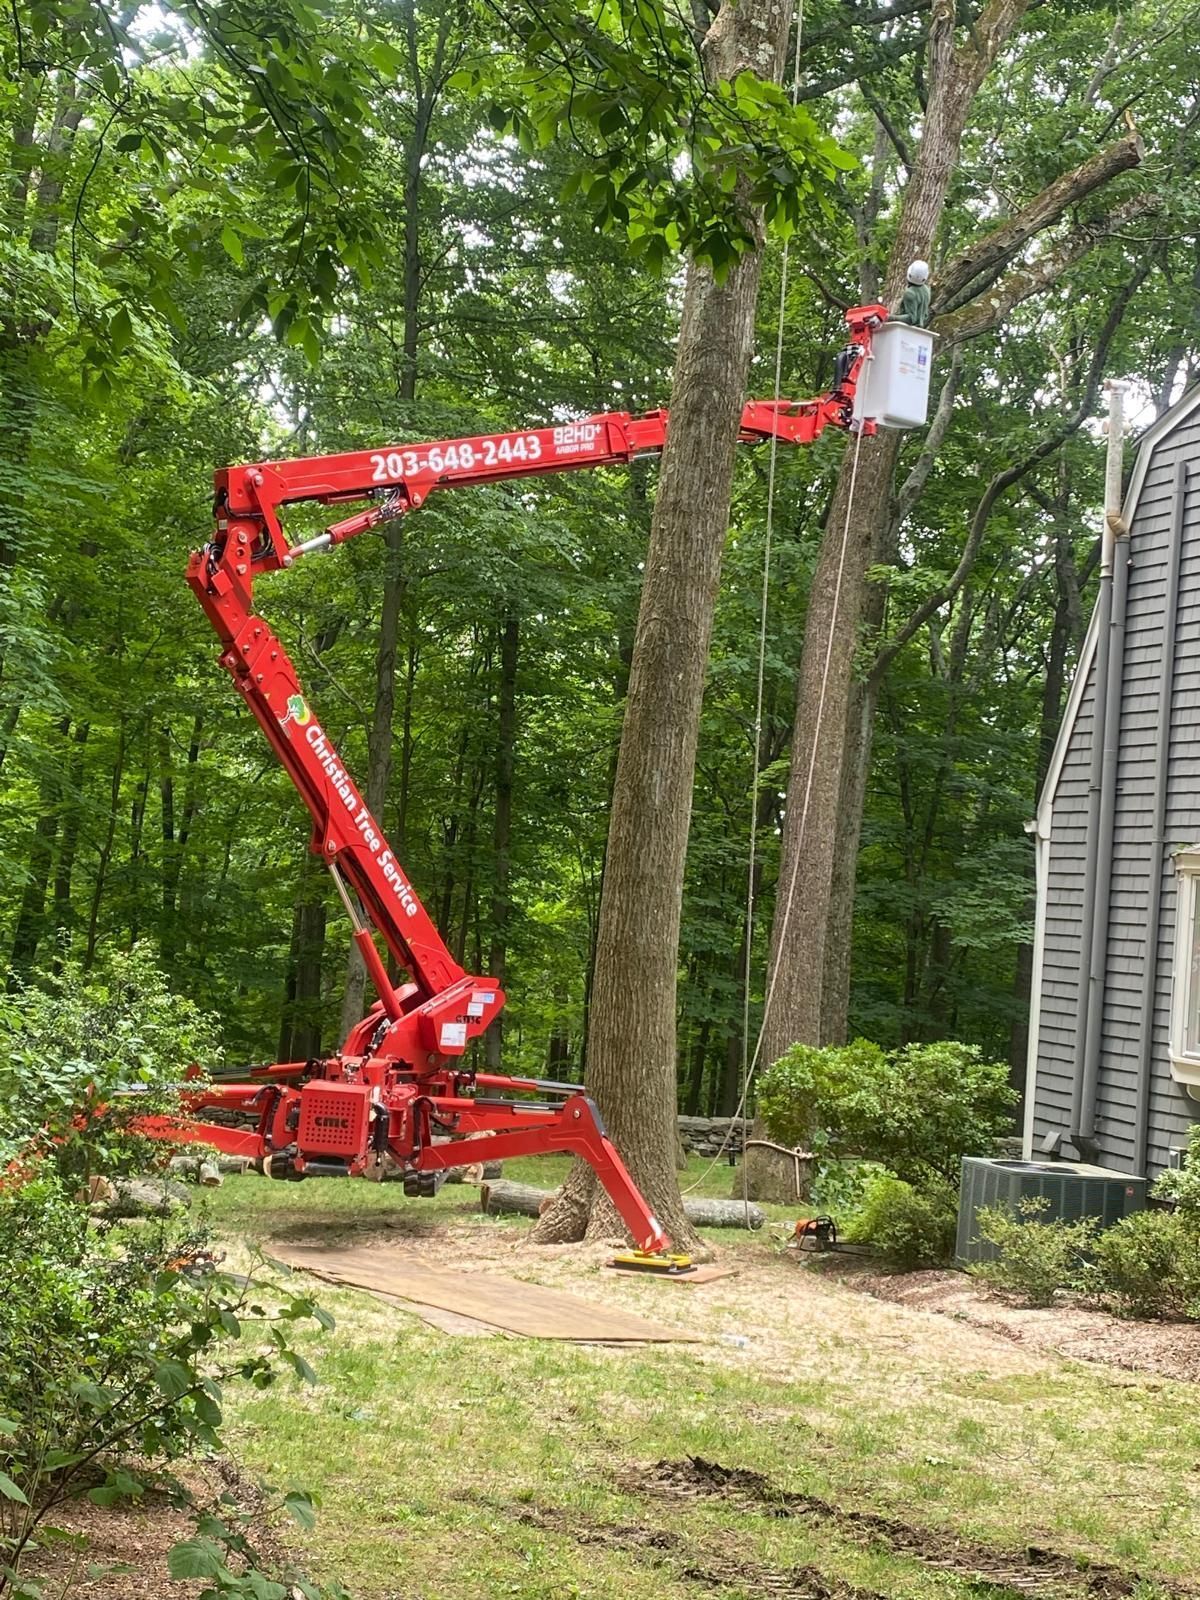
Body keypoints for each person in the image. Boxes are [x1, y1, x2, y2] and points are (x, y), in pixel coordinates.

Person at [897, 259, 931, 326]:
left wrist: (889, 317)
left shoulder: (910, 293)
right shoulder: (927, 290)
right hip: (919, 329)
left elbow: (911, 318)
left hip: (907, 330)